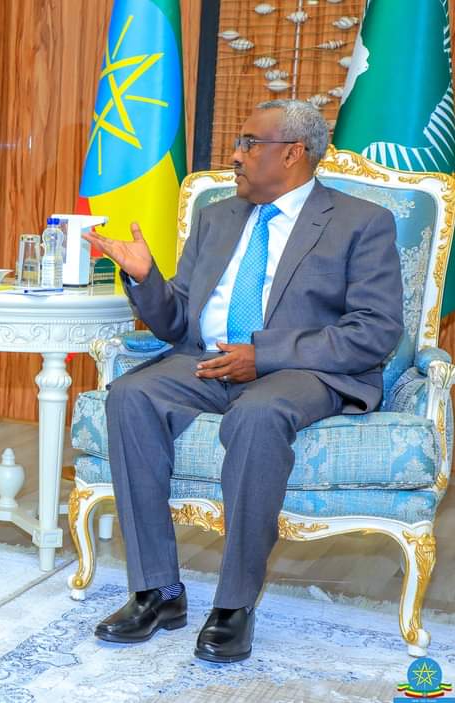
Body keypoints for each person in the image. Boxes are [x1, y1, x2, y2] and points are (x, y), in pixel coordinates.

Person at [81, 99, 403, 663]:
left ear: (293, 153)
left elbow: (375, 331)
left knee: (257, 415)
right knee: (131, 395)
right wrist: (147, 279)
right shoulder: (218, 215)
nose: (235, 155)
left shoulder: (360, 221)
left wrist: (265, 355)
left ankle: (233, 605)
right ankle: (158, 592)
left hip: (304, 371)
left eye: (249, 143)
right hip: (208, 362)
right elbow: (179, 321)